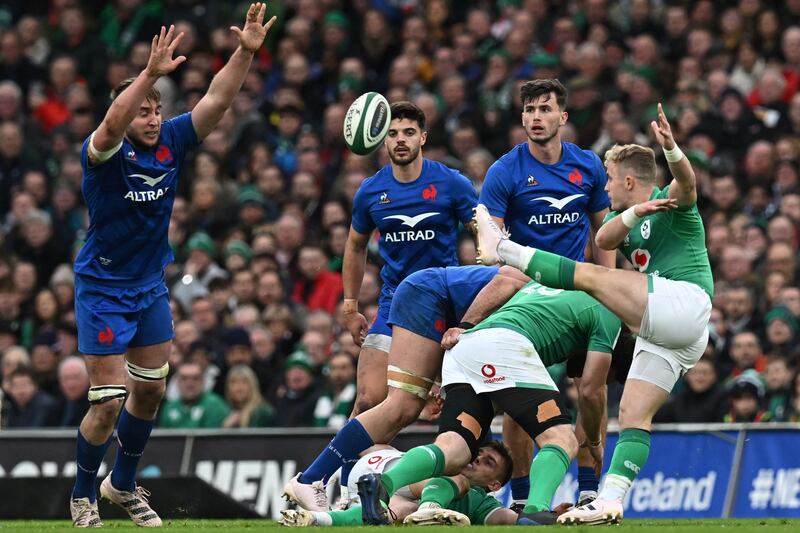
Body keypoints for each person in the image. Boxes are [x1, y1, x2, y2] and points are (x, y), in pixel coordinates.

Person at [68, 5, 277, 528]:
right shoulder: (103, 152)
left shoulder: (173, 141)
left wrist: (245, 52)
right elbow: (112, 122)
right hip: (103, 287)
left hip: (148, 286)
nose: (152, 118)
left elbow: (217, 101)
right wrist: (148, 74)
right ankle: (82, 496)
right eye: (143, 110)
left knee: (152, 388)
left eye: (157, 109)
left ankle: (122, 484)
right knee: (108, 401)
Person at [473, 103, 713, 525]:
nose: (603, 187)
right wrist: (634, 212)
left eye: (609, 178)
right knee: (634, 416)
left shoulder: (669, 201)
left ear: (628, 180)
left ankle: (503, 248)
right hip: (673, 332)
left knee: (592, 277)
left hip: (684, 301)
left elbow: (689, 183)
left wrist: (672, 150)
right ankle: (609, 501)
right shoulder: (625, 216)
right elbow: (603, 237)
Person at [295, 101, 478, 495]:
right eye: (392, 133)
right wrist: (349, 305)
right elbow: (355, 245)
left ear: (423, 137)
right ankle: (340, 493)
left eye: (408, 132)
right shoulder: (371, 191)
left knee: (424, 410)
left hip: (443, 308)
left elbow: (485, 231)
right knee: (368, 400)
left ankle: (459, 493)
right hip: (393, 304)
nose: (400, 140)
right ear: (382, 139)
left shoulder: (451, 183)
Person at [357, 280, 630, 526]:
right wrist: (593, 442)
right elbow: (591, 391)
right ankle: (534, 511)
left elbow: (505, 279)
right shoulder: (609, 316)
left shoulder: (550, 288)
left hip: (465, 346)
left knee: (455, 451)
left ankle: (384, 483)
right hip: (506, 346)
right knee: (561, 438)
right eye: (612, 375)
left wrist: (465, 324)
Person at [476, 78, 616, 507]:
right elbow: (493, 245)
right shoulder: (504, 171)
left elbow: (604, 233)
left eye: (545, 109)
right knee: (519, 400)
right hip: (526, 299)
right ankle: (521, 500)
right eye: (529, 110)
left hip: (580, 293)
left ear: (562, 116)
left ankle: (589, 493)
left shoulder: (587, 165)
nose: (536, 117)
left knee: (592, 391)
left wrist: (607, 288)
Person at [283, 265, 526, 511]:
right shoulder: (540, 284)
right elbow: (508, 276)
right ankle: (314, 480)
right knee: (396, 405)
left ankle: (345, 498)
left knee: (415, 407)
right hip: (428, 295)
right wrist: (350, 308)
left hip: (438, 301)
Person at [280, 442, 517, 527]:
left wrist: (538, 515)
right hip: (383, 467)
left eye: (489, 462)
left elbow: (510, 518)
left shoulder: (483, 503)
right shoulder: (452, 462)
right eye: (480, 453)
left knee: (399, 513)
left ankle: (317, 519)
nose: (478, 458)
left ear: (495, 485)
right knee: (456, 477)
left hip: (371, 489)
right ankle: (430, 507)